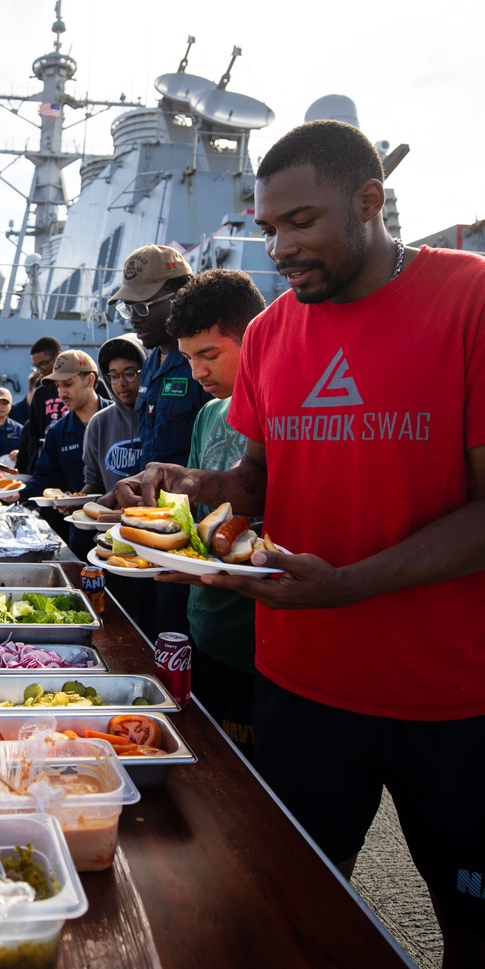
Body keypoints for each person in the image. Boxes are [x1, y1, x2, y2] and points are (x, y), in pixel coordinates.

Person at [122, 120, 485, 969]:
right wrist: (191, 488)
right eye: (267, 226)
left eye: (299, 222)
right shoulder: (278, 330)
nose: (278, 248)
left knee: (476, 937)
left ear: (370, 202)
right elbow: (259, 477)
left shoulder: (471, 301)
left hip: (455, 701)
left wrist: (354, 583)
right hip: (304, 686)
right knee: (283, 911)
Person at [162, 270, 265, 750]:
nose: (197, 372)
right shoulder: (207, 414)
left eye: (210, 355)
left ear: (256, 334)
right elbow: (195, 512)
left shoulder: (284, 410)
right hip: (204, 621)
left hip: (259, 634)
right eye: (188, 358)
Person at [108, 244, 208, 466]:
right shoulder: (151, 365)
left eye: (142, 307)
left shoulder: (204, 365)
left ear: (180, 297)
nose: (133, 319)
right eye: (128, 308)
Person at [27, 351, 110, 558]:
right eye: (58, 386)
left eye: (68, 384)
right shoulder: (57, 433)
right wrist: (18, 494)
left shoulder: (123, 419)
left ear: (90, 380)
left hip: (121, 531)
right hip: (82, 535)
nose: (61, 393)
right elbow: (44, 479)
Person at [82, 335, 145, 494]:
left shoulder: (163, 418)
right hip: (114, 518)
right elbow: (94, 480)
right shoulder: (99, 423)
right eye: (114, 376)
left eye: (130, 373)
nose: (121, 383)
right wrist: (78, 500)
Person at [15, 336, 64, 472]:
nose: (40, 370)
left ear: (58, 356)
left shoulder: (86, 386)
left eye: (43, 363)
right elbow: (35, 440)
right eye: (36, 366)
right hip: (52, 466)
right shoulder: (41, 394)